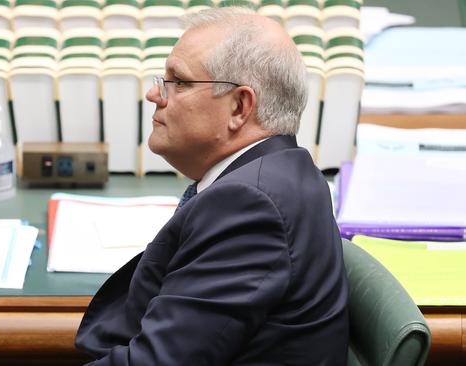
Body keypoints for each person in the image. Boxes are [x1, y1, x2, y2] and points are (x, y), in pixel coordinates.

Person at [75, 7, 349, 365]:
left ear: (239, 106)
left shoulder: (249, 205)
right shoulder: (286, 171)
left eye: (180, 82)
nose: (154, 95)